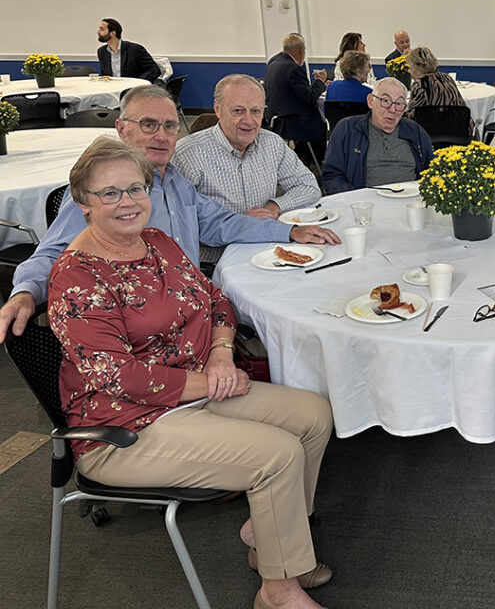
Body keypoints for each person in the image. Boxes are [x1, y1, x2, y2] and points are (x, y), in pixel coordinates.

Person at [48, 137, 335, 609]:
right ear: (83, 203)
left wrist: (222, 353)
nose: (128, 203)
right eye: (110, 193)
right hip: (125, 427)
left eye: (136, 189)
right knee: (278, 453)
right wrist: (215, 381)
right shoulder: (77, 278)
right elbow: (120, 377)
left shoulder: (156, 242)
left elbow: (216, 298)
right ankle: (278, 592)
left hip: (199, 386)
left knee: (313, 414)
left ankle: (272, 538)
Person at [0, 85, 339, 343]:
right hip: (146, 331)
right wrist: (26, 291)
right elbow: (55, 253)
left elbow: (221, 223)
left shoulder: (175, 182)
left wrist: (288, 233)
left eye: (170, 126)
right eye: (148, 125)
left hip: (193, 311)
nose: (161, 136)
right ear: (122, 128)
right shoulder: (109, 194)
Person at [174, 74, 321, 265]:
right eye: (238, 111)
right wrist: (239, 223)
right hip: (213, 263)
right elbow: (180, 225)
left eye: (256, 111)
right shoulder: (187, 154)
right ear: (218, 109)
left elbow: (309, 187)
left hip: (268, 252)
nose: (249, 120)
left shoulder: (272, 143)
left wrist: (274, 207)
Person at [322, 77, 433, 194]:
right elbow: (332, 176)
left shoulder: (415, 131)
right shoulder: (347, 129)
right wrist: (357, 199)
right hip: (365, 204)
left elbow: (431, 169)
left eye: (399, 103)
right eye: (385, 101)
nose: (392, 109)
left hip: (409, 201)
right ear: (371, 101)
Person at [264, 33, 330, 167]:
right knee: (324, 126)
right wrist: (320, 81)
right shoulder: (293, 69)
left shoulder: (273, 62)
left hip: (274, 117)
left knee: (315, 122)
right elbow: (309, 98)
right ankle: (303, 161)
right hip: (290, 121)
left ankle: (298, 158)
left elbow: (297, 92)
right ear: (301, 50)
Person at [404, 47, 472, 135]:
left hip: (431, 135)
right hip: (457, 133)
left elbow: (412, 116)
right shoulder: (447, 78)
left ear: (418, 68)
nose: (409, 71)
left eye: (411, 68)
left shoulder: (420, 85)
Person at [96, 18, 161, 83]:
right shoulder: (102, 52)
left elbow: (154, 70)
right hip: (112, 89)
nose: (98, 32)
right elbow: (104, 75)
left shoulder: (135, 49)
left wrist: (138, 83)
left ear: (113, 33)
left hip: (133, 90)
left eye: (102, 29)